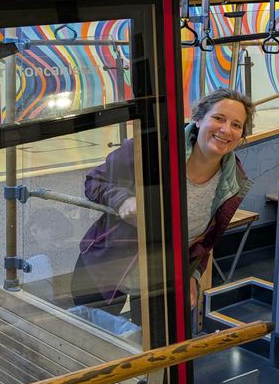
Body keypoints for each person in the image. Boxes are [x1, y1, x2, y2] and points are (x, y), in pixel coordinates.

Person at [71, 88, 254, 325]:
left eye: (236, 125)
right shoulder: (153, 148)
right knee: (89, 339)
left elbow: (204, 242)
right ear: (198, 119)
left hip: (162, 278)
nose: (226, 130)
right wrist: (122, 199)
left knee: (155, 353)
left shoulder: (234, 182)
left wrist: (192, 275)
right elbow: (94, 181)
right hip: (107, 266)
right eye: (218, 118)